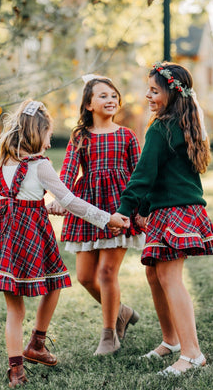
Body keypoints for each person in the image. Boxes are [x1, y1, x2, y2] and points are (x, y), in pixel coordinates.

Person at [0, 99, 129, 388]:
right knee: (54, 283)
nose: (49, 139)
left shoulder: (3, 161)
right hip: (32, 230)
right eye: (48, 133)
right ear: (37, 133)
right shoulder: (40, 165)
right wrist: (108, 219)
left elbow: (15, 194)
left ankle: (16, 370)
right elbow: (70, 201)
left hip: (5, 231)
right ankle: (37, 343)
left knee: (14, 309)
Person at [113, 62, 213, 375]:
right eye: (147, 89)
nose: (147, 95)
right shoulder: (184, 124)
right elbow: (163, 173)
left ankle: (192, 354)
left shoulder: (160, 129)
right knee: (155, 275)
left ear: (171, 94)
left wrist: (125, 209)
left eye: (154, 90)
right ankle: (172, 340)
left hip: (176, 209)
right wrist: (146, 208)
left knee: (171, 279)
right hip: (174, 207)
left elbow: (144, 173)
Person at [48, 75, 145, 356]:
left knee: (106, 273)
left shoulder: (126, 135)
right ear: (89, 104)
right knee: (84, 276)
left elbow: (138, 176)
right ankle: (122, 311)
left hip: (119, 209)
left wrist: (138, 211)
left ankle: (109, 335)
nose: (110, 100)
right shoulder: (80, 137)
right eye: (103, 95)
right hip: (88, 210)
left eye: (113, 95)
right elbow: (67, 171)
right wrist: (60, 199)